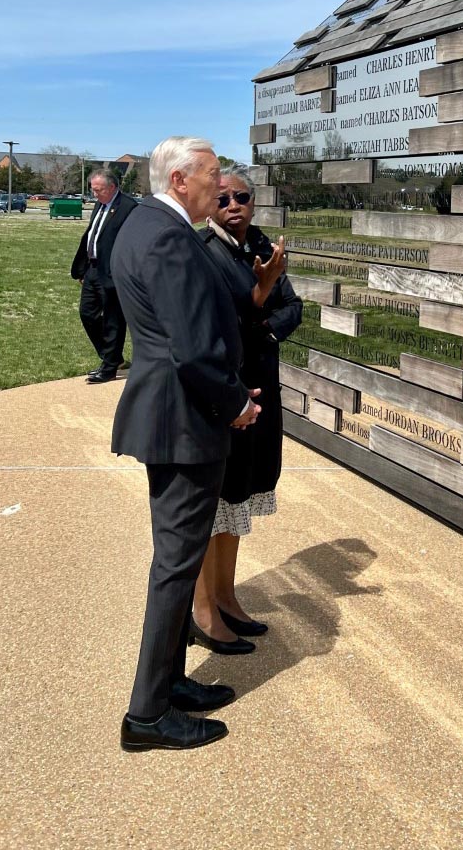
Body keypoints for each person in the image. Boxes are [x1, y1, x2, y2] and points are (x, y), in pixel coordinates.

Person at [111, 136, 261, 752]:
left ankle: (171, 682)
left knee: (174, 560)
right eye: (211, 176)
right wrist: (237, 405)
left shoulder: (142, 223)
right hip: (184, 423)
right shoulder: (170, 237)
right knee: (175, 567)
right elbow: (191, 347)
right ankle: (147, 714)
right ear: (180, 181)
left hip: (173, 417)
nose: (218, 186)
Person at [190, 166, 301, 653]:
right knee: (211, 505)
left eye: (242, 196)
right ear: (209, 204)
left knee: (237, 499)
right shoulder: (202, 251)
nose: (233, 205)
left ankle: (227, 596)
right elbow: (222, 320)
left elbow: (291, 305)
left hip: (262, 385)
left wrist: (268, 326)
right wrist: (260, 313)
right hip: (227, 394)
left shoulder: (261, 245)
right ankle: (201, 609)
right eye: (223, 198)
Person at [70, 170, 137, 382]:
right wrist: (83, 268)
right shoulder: (100, 204)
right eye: (93, 189)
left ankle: (108, 369)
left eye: (97, 190)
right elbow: (92, 234)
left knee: (113, 320)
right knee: (87, 314)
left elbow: (132, 244)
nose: (94, 193)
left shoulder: (129, 208)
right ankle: (113, 357)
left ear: (112, 187)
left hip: (113, 272)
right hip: (92, 269)